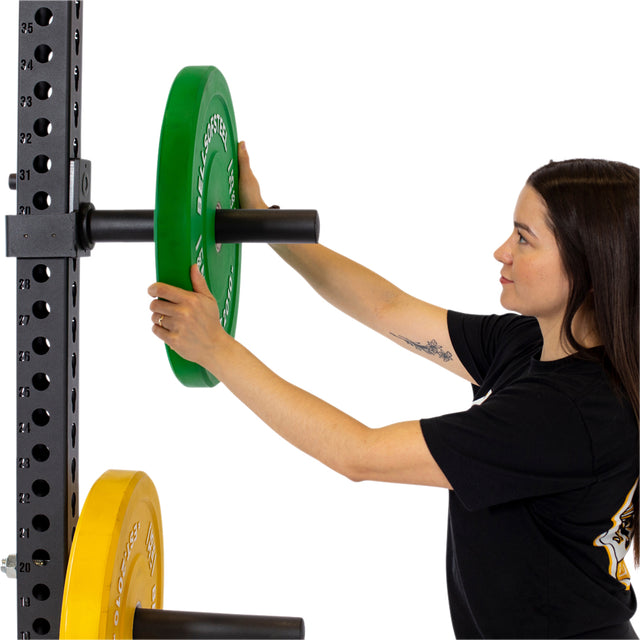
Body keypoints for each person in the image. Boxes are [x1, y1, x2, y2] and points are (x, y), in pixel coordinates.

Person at [148, 144, 639, 639]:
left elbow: (357, 453)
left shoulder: (566, 412)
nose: (501, 251)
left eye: (524, 238)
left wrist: (216, 349)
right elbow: (386, 308)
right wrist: (264, 225)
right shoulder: (534, 345)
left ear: (589, 267)